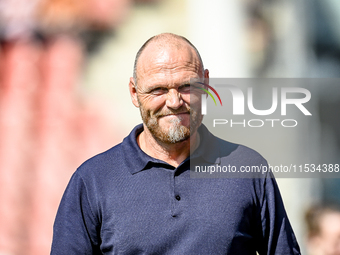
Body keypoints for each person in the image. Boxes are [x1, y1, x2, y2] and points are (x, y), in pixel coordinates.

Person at [51, 33, 301, 254]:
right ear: (134, 93)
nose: (174, 101)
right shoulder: (93, 180)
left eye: (186, 86)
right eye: (158, 89)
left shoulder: (249, 169)